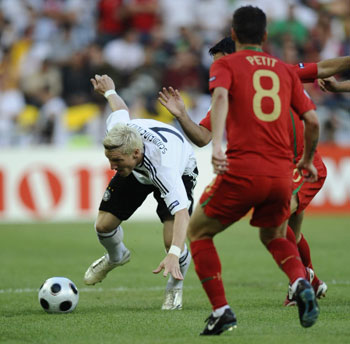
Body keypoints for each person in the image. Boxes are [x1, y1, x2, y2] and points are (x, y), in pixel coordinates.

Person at [160, 40, 350, 308]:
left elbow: (326, 67)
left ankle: (301, 282)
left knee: (277, 225)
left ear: (230, 56)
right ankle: (310, 280)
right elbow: (203, 137)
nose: (215, 67)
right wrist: (181, 115)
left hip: (302, 166)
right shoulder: (228, 91)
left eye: (218, 60)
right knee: (290, 234)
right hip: (276, 168)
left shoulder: (276, 72)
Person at [178, 6, 320, 335]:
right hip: (282, 175)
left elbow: (222, 96)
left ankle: (222, 311)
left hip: (243, 169)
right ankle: (301, 282)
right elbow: (312, 119)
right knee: (274, 234)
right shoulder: (283, 70)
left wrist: (216, 147)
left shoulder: (226, 63)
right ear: (265, 35)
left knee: (198, 232)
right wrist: (308, 159)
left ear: (234, 34)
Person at [84, 74, 198, 311]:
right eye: (109, 160)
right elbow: (120, 108)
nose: (111, 167)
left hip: (181, 168)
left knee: (171, 241)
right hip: (137, 169)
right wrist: (109, 91)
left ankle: (174, 288)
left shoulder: (165, 169)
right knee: (103, 226)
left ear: (135, 154)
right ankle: (117, 257)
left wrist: (174, 253)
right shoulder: (119, 133)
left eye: (116, 161)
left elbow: (182, 215)